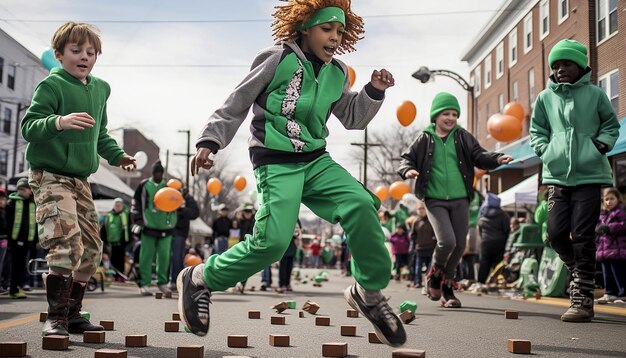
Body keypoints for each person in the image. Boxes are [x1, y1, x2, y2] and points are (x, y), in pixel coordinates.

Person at [176, 0, 406, 347]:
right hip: (276, 161)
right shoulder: (277, 58)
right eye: (327, 29)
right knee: (273, 243)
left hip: (315, 159)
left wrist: (374, 92)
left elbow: (353, 118)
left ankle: (369, 294)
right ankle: (198, 278)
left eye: (339, 32)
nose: (333, 37)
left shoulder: (338, 72)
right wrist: (211, 140)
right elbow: (237, 101)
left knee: (361, 203)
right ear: (305, 29)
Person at [21, 21, 136, 336]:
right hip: (50, 175)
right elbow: (28, 127)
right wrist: (58, 122)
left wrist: (118, 156)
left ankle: (72, 314)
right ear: (59, 54)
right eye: (76, 50)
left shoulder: (100, 89)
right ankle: (55, 317)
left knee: (91, 248)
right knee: (64, 241)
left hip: (81, 179)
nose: (84, 57)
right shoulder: (52, 86)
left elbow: (101, 135)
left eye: (91, 52)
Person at [529, 39, 620, 322]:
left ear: (579, 65)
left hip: (590, 175)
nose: (559, 70)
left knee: (582, 235)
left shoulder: (595, 94)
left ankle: (582, 298)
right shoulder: (545, 98)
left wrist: (599, 147)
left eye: (566, 64)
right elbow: (536, 131)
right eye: (555, 66)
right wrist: (546, 150)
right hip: (557, 176)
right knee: (555, 234)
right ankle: (581, 272)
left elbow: (611, 125)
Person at [398, 92, 512, 308]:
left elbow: (479, 155)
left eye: (454, 114)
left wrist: (497, 158)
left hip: (460, 198)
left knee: (460, 245)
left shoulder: (462, 136)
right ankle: (435, 275)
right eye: (445, 114)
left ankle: (447, 287)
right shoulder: (425, 138)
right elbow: (407, 159)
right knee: (447, 241)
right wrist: (409, 170)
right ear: (435, 116)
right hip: (434, 199)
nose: (450, 118)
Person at [131, 161, 177, 296]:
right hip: (148, 225)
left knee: (164, 256)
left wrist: (183, 193)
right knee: (146, 256)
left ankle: (162, 283)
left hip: (166, 227)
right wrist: (138, 218)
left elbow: (178, 200)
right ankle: (144, 284)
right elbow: (136, 202)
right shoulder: (144, 185)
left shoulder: (169, 185)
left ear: (163, 174)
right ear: (153, 173)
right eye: (156, 173)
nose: (158, 175)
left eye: (160, 173)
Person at [5, 178, 37, 299]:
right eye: (29, 189)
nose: (30, 192)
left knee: (21, 265)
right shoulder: (11, 203)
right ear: (21, 189)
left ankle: (16, 288)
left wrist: (35, 240)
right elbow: (8, 223)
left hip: (27, 241)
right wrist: (8, 240)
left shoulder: (32, 203)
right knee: (14, 265)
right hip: (13, 241)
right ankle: (13, 289)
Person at [595, 188, 626, 304]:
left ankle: (623, 293)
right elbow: (597, 226)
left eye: (612, 199)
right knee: (606, 273)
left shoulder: (621, 213)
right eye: (606, 199)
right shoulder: (602, 214)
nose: (609, 202)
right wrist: (598, 229)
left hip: (617, 250)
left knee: (618, 272)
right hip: (604, 250)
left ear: (618, 199)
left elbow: (623, 225)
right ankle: (609, 292)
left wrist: (609, 227)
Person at [168, 187, 199, 291]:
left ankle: (175, 280)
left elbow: (195, 213)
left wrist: (182, 209)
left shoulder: (187, 199)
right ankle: (166, 279)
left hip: (180, 232)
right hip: (165, 230)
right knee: (166, 256)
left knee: (177, 256)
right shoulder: (166, 195)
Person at [477, 193, 510, 285]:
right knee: (498, 263)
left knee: (484, 263)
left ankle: (481, 282)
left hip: (485, 242)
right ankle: (496, 282)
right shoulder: (503, 215)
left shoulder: (482, 215)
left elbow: (480, 230)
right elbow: (506, 229)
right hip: (499, 242)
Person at [100, 198, 131, 282]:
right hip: (111, 242)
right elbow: (104, 228)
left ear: (122, 206)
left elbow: (129, 227)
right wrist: (104, 240)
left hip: (122, 242)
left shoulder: (126, 214)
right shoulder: (109, 215)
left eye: (119, 205)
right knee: (112, 259)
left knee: (121, 259)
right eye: (116, 205)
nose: (117, 207)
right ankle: (114, 276)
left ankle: (120, 276)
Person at [410, 201, 435, 289]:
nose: (421, 210)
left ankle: (428, 283)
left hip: (430, 247)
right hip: (419, 248)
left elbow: (435, 233)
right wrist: (412, 247)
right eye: (419, 209)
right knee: (418, 267)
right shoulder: (416, 221)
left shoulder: (431, 220)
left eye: (423, 208)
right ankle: (417, 282)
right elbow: (413, 235)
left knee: (429, 267)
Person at [0, 189, 9, 295]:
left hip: (3, 240)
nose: (2, 201)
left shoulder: (6, 210)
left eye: (3, 199)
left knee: (2, 264)